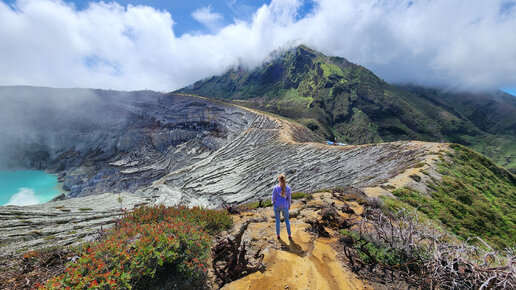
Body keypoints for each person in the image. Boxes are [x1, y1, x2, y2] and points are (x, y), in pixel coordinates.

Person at [271, 174, 292, 240]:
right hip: (284, 206)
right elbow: (289, 198)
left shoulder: (275, 188)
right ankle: (289, 235)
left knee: (277, 220)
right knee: (287, 220)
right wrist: (289, 205)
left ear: (279, 180)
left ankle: (278, 235)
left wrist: (273, 202)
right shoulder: (288, 188)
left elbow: (273, 198)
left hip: (276, 206)